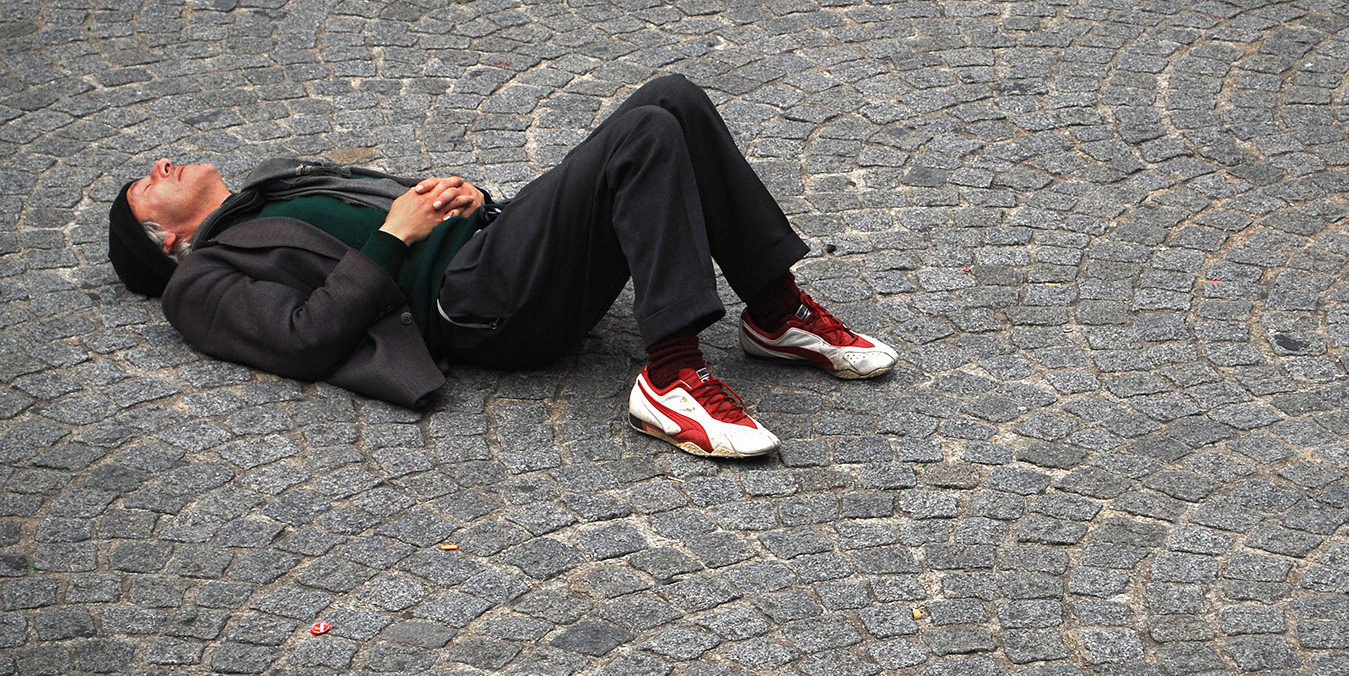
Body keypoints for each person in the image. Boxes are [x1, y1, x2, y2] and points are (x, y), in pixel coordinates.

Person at [107, 74, 897, 458]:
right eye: (152, 181)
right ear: (159, 238)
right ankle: (671, 378)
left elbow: (403, 212)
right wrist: (396, 234)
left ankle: (774, 310)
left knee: (674, 99)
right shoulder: (196, 285)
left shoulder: (269, 187)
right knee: (644, 136)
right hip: (473, 306)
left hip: (495, 245)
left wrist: (471, 200)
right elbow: (304, 337)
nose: (167, 162)